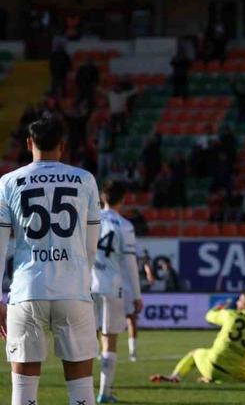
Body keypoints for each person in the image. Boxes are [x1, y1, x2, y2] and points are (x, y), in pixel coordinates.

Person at [0, 113, 102, 405]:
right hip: (73, 289)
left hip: (27, 290)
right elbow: (90, 245)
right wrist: (83, 280)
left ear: (29, 142)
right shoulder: (84, 179)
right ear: (62, 145)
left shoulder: (8, 182)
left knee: (23, 392)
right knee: (82, 390)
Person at [149, 290, 245, 384]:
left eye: (240, 300)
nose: (237, 302)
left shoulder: (230, 315)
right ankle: (216, 379)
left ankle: (175, 376)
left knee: (194, 354)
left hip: (210, 367)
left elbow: (209, 316)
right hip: (237, 374)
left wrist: (220, 307)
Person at [91, 181, 143, 403]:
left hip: (87, 286)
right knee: (109, 340)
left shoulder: (88, 219)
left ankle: (80, 391)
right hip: (112, 287)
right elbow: (130, 264)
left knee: (84, 340)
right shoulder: (125, 226)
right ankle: (104, 392)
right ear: (123, 200)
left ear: (102, 197)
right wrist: (138, 295)